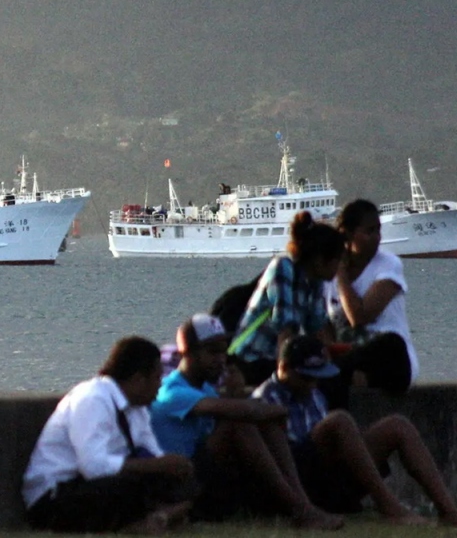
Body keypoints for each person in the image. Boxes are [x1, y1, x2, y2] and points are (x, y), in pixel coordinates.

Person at [254, 336, 457, 528]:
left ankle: (449, 511)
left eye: (316, 377)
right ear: (283, 367)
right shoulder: (265, 397)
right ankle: (390, 507)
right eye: (305, 376)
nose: (311, 383)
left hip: (330, 477)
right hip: (298, 481)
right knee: (340, 421)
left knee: (397, 425)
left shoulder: (314, 393)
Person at [150, 314, 343, 530]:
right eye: (212, 351)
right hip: (176, 482)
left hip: (203, 477)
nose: (221, 359)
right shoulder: (173, 390)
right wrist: (275, 409)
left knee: (261, 420)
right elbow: (239, 412)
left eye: (223, 351)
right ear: (187, 352)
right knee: (241, 422)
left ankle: (302, 505)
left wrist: (239, 396)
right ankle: (301, 509)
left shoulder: (205, 389)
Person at [22, 336, 197, 533]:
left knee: (184, 479)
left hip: (98, 482)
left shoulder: (137, 408)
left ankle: (159, 517)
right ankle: (150, 520)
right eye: (157, 378)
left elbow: (152, 453)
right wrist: (154, 465)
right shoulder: (93, 399)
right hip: (57, 494)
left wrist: (171, 466)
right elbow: (93, 467)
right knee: (123, 488)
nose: (160, 386)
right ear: (139, 380)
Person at [320, 198, 419, 410]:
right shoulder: (326, 275)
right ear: (347, 235)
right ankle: (348, 373)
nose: (377, 238)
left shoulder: (388, 265)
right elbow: (324, 326)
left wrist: (341, 273)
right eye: (369, 231)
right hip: (349, 359)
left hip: (392, 362)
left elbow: (359, 317)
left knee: (390, 343)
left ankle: (344, 371)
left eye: (378, 230)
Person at [228, 211, 345, 386]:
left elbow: (317, 329)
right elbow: (285, 329)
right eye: (338, 260)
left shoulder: (315, 282)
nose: (341, 267)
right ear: (320, 260)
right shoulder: (283, 267)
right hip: (250, 360)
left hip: (276, 358)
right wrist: (287, 377)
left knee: (335, 377)